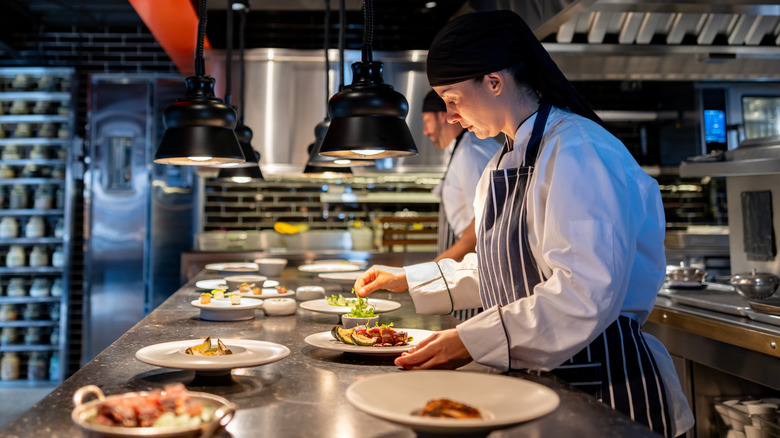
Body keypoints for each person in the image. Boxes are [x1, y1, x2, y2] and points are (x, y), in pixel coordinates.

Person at [354, 10, 693, 437]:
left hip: (608, 387)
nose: (450, 116)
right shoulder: (502, 163)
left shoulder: (578, 150)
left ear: (494, 82)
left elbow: (584, 293)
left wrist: (471, 340)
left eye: (453, 99)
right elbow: (504, 273)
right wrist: (411, 278)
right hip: (538, 382)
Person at [423, 90, 501, 320]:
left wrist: (433, 268)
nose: (425, 131)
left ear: (441, 116)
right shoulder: (460, 149)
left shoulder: (471, 153)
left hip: (474, 268)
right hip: (462, 265)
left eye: (427, 121)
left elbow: (482, 223)